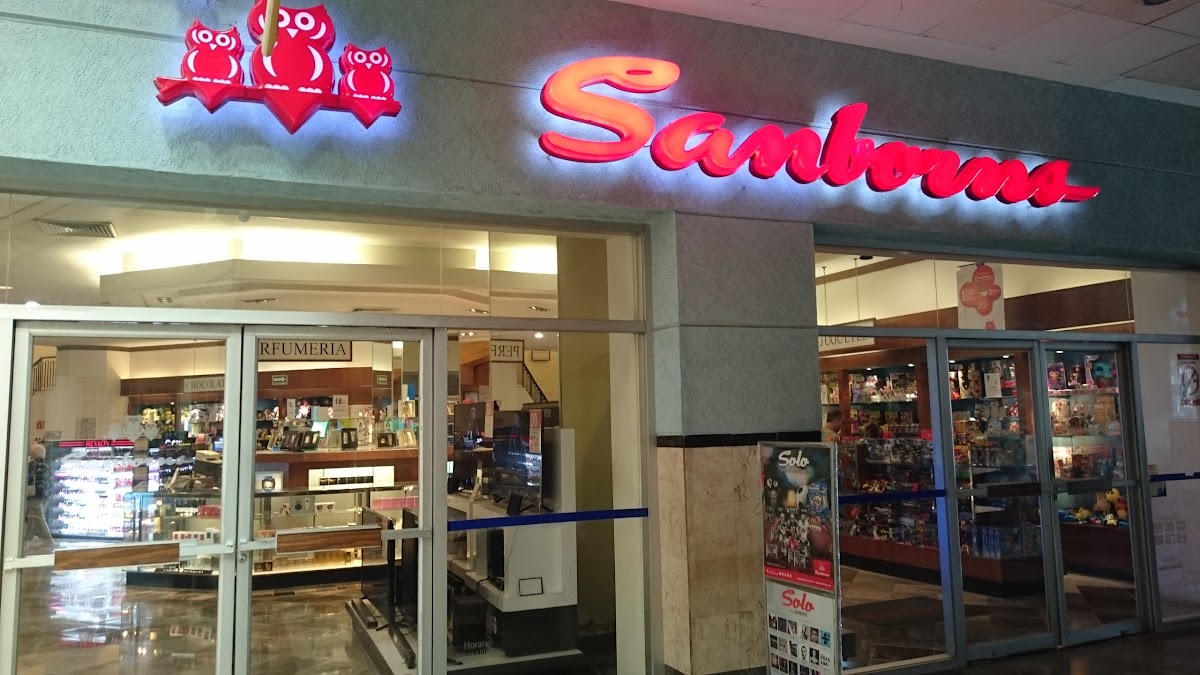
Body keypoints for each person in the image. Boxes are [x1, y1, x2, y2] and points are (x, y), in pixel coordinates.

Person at [25, 443, 53, 550]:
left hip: (33, 494)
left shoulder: (31, 465)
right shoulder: (46, 466)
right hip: (42, 495)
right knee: (33, 516)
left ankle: (47, 538)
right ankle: (27, 538)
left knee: (37, 515)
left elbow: (28, 479)